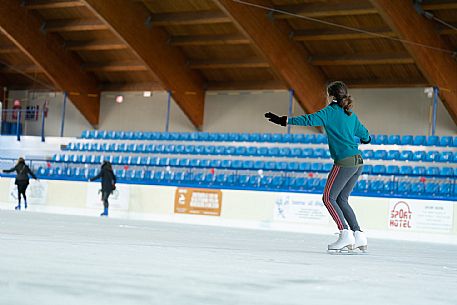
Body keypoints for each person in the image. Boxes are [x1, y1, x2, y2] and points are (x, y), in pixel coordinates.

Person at [265, 81, 370, 252]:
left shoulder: (330, 112)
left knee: (328, 198)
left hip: (344, 161)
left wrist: (283, 120)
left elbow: (308, 119)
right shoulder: (350, 114)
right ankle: (358, 235)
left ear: (331, 96)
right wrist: (365, 139)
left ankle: (345, 234)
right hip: (358, 162)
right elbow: (365, 135)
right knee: (342, 199)